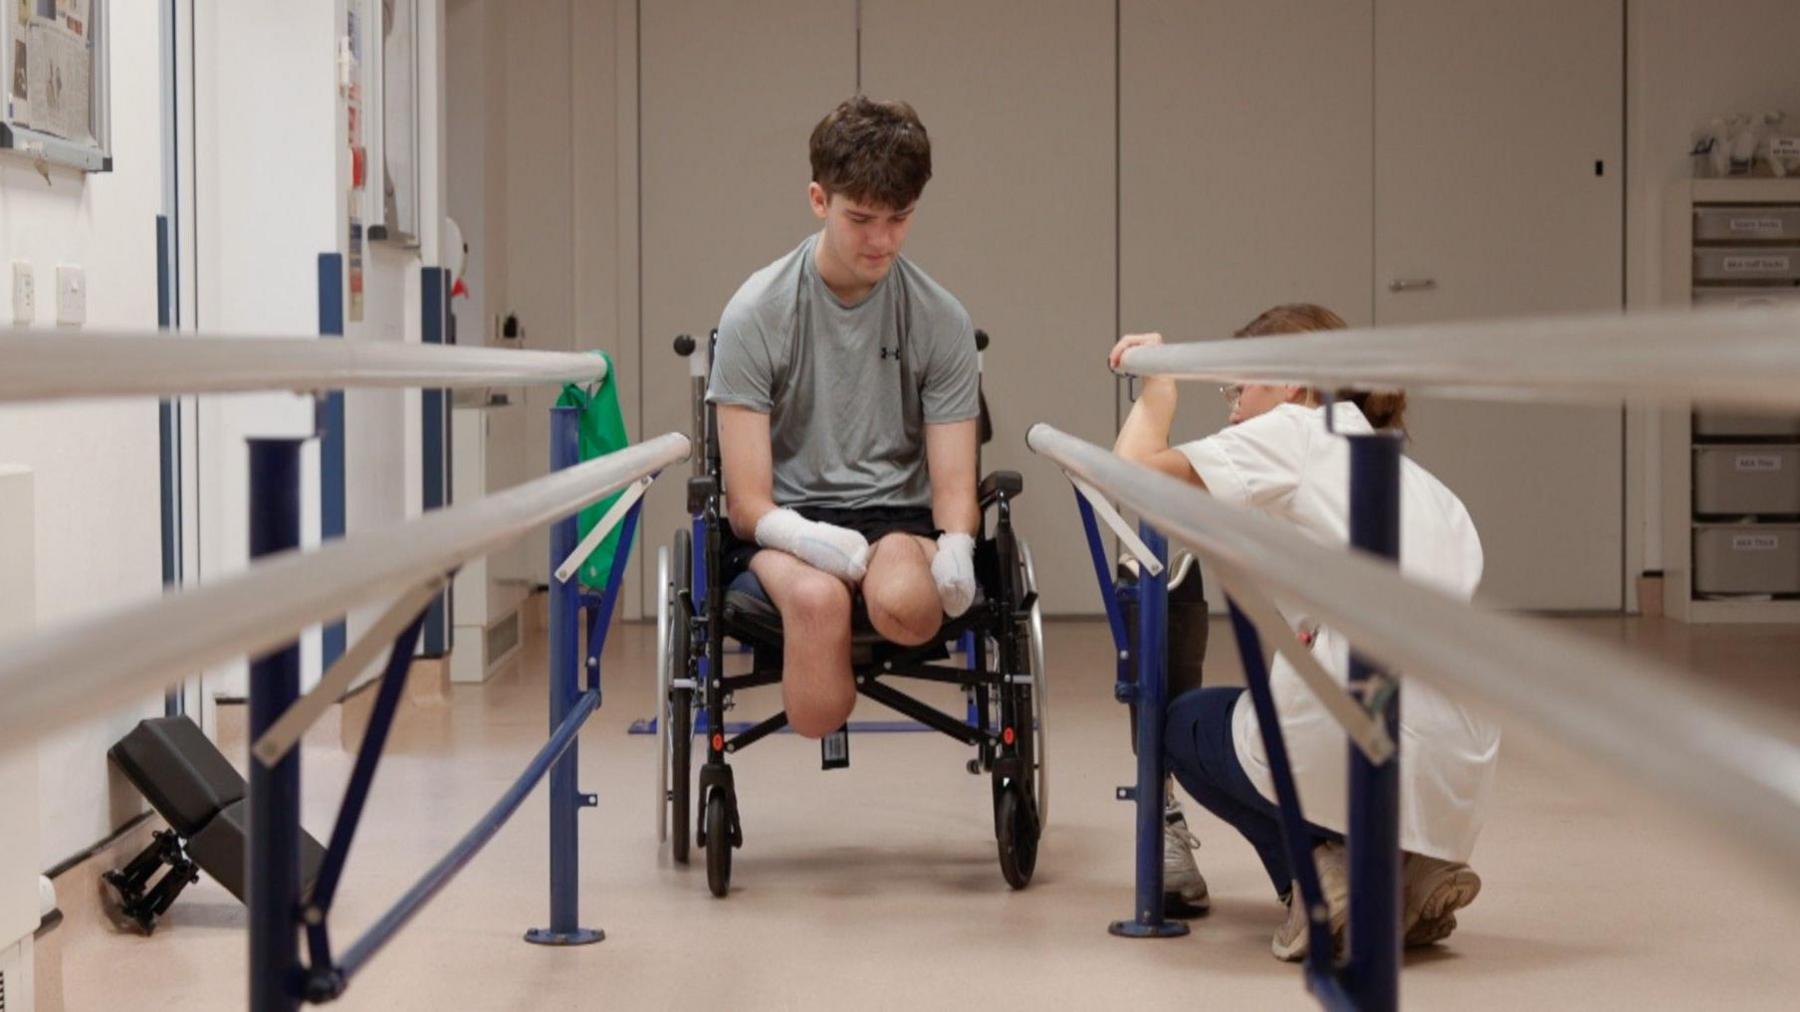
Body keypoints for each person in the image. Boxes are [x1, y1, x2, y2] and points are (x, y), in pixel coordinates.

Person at [1109, 303, 1500, 961]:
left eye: (1239, 388)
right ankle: (1413, 866)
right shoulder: (1416, 481)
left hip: (1354, 725)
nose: (1231, 409)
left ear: (1292, 383)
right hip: (1461, 753)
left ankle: (1320, 878)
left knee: (1184, 725)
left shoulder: (1293, 431)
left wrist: (1158, 390)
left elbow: (1131, 475)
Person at [707, 96, 982, 740]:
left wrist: (960, 544)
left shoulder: (941, 319)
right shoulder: (756, 313)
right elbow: (746, 502)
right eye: (861, 218)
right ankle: (821, 649)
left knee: (906, 603)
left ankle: (890, 586)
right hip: (785, 529)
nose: (881, 240)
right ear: (818, 200)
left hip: (898, 523)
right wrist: (803, 538)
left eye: (901, 217)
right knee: (817, 605)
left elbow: (952, 486)